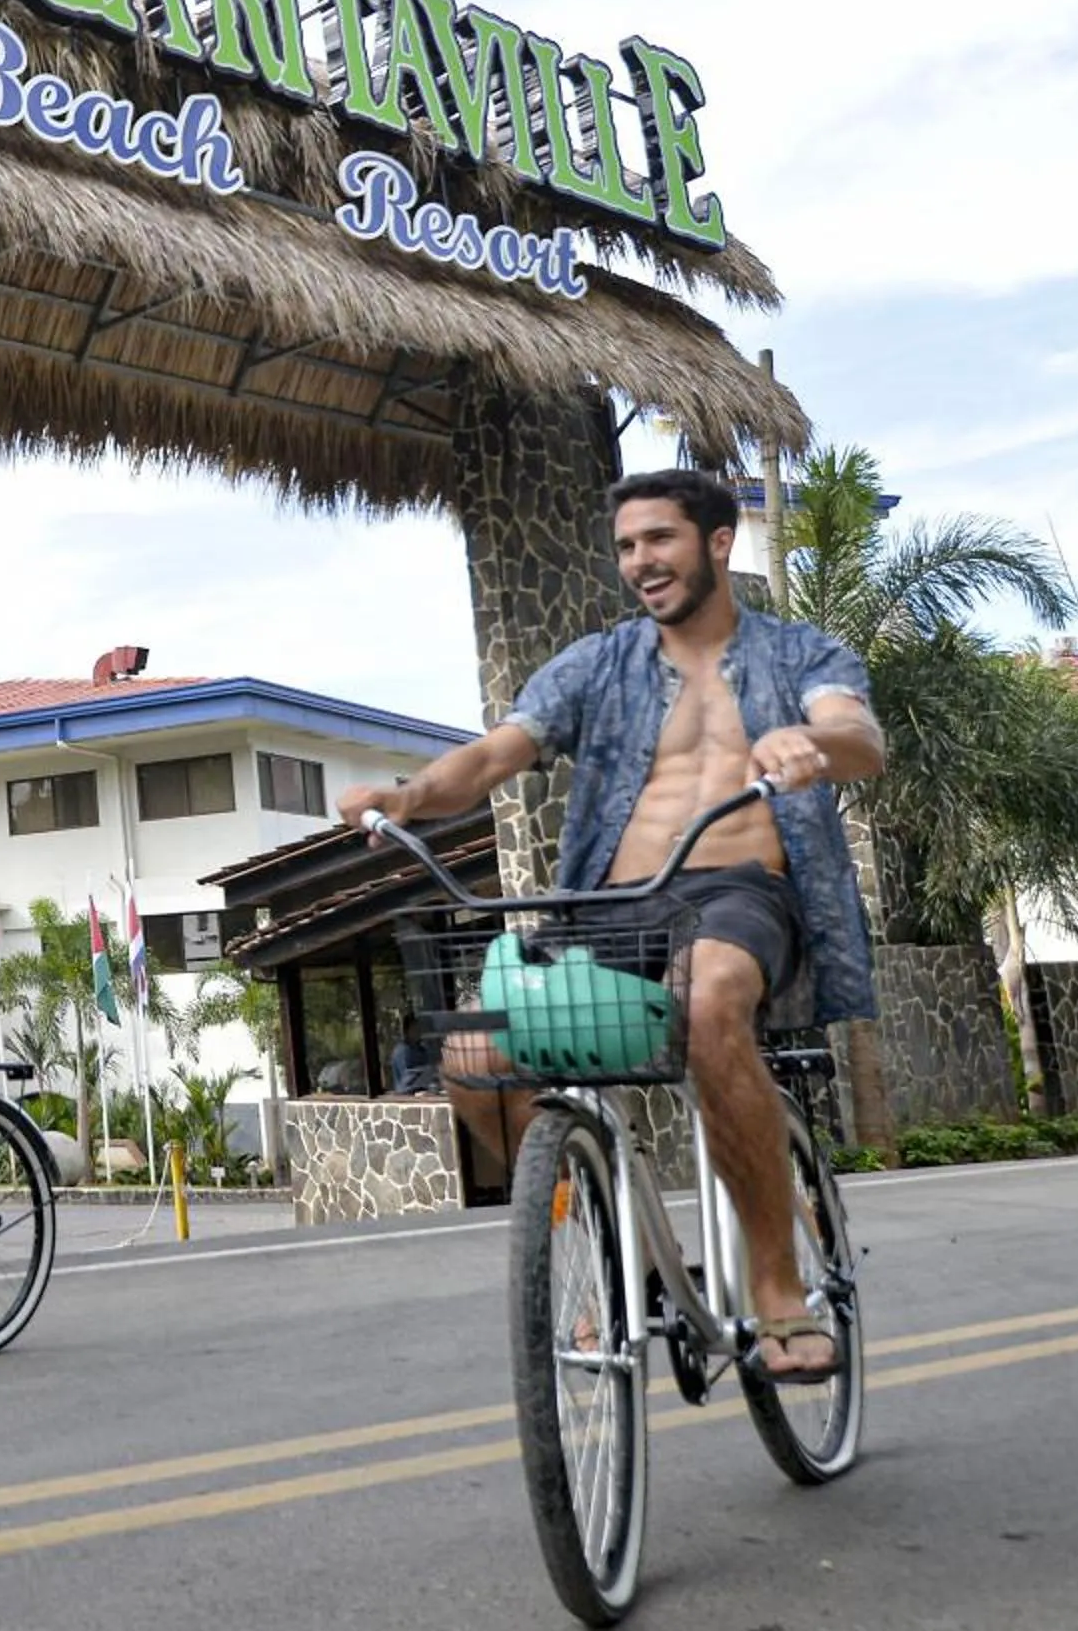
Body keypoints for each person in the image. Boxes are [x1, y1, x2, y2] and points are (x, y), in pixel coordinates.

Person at [337, 470, 885, 1381]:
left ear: (716, 543)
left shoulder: (800, 654)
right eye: (628, 545)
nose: (641, 562)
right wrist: (411, 794)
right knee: (474, 1059)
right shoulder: (597, 664)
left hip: (741, 892)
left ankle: (779, 1291)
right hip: (613, 904)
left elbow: (858, 736)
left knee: (711, 1000)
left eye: (660, 539)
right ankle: (619, 1245)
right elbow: (493, 755)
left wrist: (811, 745)